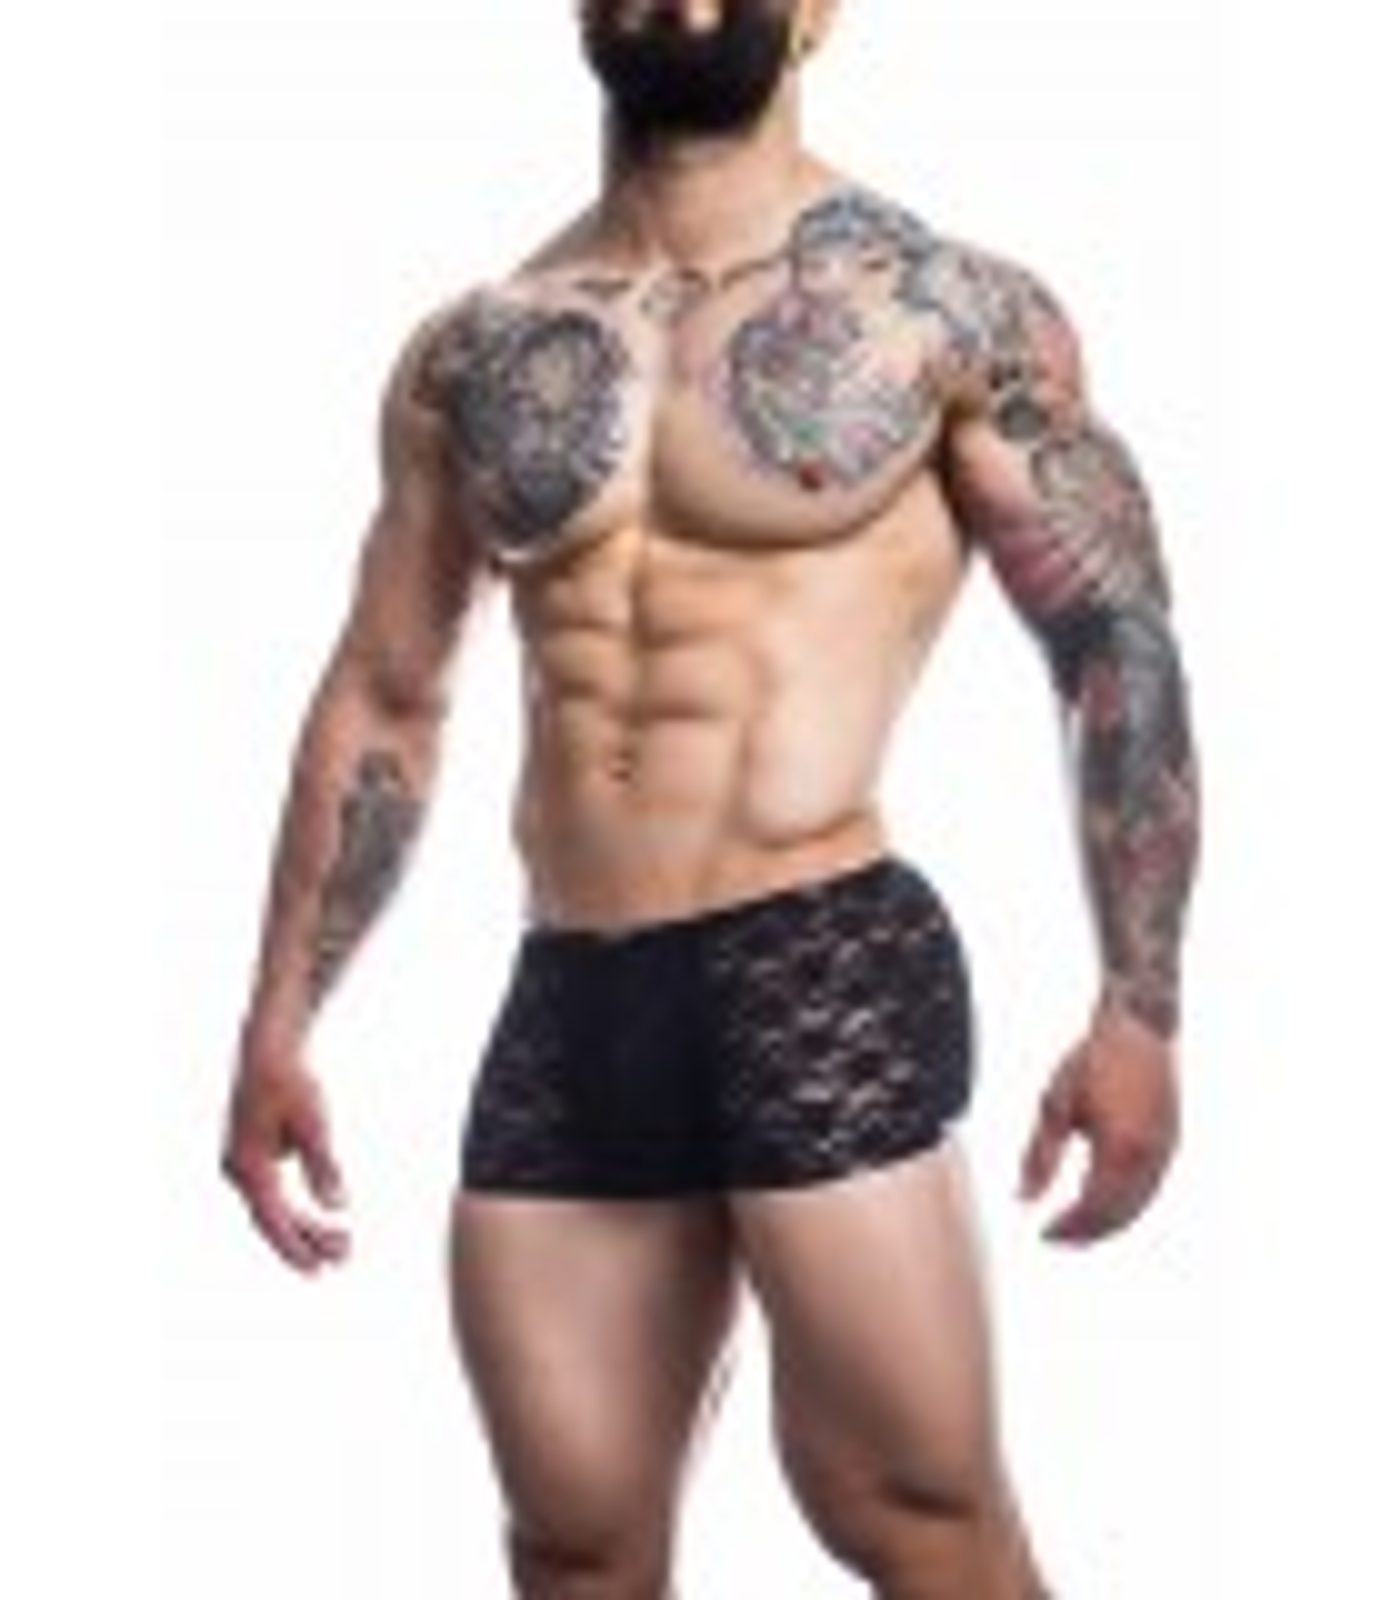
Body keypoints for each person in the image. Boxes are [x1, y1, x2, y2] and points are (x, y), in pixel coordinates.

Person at [219, 2, 1201, 1596]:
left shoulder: (951, 313)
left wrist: (1137, 1010)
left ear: (818, 13)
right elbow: (388, 691)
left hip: (815, 957)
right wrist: (279, 1022)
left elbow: (1116, 648)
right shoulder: (477, 349)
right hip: (571, 991)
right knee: (576, 1547)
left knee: (918, 1513)